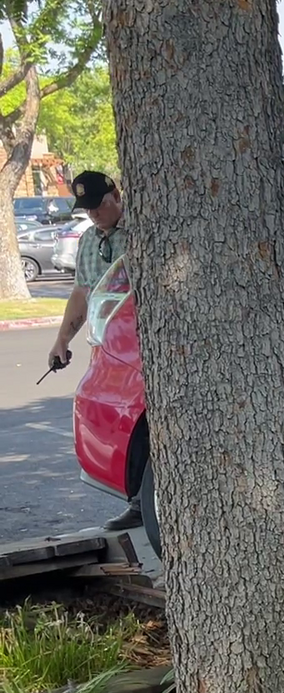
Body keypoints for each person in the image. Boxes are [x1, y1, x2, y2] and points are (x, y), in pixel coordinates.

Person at [46, 171, 137, 531]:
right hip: (109, 350)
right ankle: (138, 502)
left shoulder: (143, 233)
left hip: (144, 346)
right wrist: (62, 340)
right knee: (120, 425)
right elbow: (83, 293)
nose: (95, 214)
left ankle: (149, 500)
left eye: (99, 204)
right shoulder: (88, 241)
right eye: (88, 209)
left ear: (116, 194)